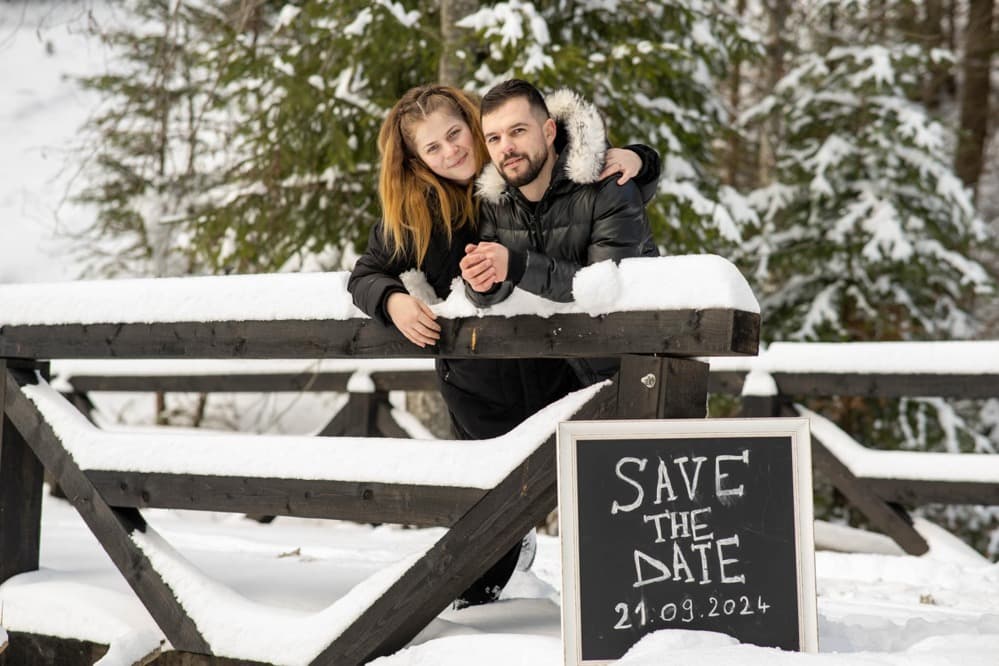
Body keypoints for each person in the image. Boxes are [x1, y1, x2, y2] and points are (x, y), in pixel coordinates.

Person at [347, 83, 660, 607]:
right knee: (483, 553)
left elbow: (581, 189)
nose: (452, 152)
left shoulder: (512, 174)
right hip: (478, 390)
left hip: (551, 374)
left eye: (456, 134)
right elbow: (365, 274)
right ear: (416, 160)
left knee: (595, 516)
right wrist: (393, 300)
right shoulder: (418, 212)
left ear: (474, 126)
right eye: (433, 147)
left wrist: (641, 161)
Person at [460, 79, 659, 386]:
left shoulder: (609, 186)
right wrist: (481, 282)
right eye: (494, 138)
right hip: (548, 383)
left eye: (518, 131)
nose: (507, 147)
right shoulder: (495, 204)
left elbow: (606, 290)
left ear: (549, 131)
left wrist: (516, 266)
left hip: (629, 378)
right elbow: (494, 293)